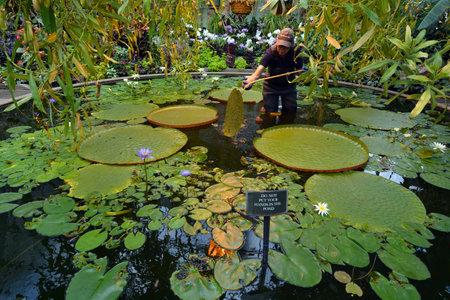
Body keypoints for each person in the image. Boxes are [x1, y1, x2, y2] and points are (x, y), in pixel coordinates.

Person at [243, 28, 303, 120]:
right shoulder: (271, 52)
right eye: (280, 46)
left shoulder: (296, 52)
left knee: (290, 111)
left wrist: (304, 74)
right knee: (270, 113)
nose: (281, 50)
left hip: (289, 87)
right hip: (271, 87)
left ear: (291, 45)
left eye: (285, 47)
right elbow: (257, 73)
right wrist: (249, 82)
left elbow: (299, 73)